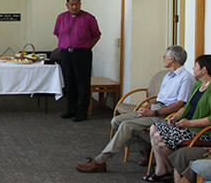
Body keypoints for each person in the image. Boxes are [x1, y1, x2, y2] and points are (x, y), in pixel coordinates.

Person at [76, 45, 194, 173]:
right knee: (116, 121)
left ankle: (101, 160)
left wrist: (153, 112)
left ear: (172, 59)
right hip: (155, 109)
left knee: (127, 126)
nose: (163, 59)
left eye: (164, 56)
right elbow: (160, 98)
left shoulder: (186, 78)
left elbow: (179, 105)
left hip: (165, 115)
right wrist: (147, 106)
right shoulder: (168, 75)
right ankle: (146, 147)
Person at [145, 54, 211, 182]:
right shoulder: (199, 84)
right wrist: (175, 117)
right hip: (188, 125)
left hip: (205, 131)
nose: (193, 68)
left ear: (204, 70)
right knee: (153, 129)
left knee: (159, 138)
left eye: (195, 66)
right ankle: (162, 170)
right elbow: (187, 106)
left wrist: (189, 123)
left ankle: (172, 167)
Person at [53, 0, 101, 121]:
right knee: (69, 83)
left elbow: (96, 35)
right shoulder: (61, 18)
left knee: (82, 83)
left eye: (77, 4)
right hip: (65, 53)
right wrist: (68, 44)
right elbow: (58, 34)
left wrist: (86, 46)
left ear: (80, 4)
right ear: (67, 5)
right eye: (72, 4)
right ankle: (70, 109)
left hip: (82, 54)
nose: (74, 7)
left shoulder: (89, 18)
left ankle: (81, 112)